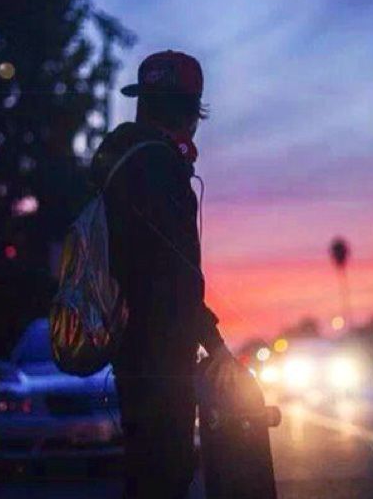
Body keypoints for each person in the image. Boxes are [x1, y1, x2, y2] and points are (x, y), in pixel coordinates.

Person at [89, 50, 239, 498]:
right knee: (166, 472)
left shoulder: (120, 162)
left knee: (145, 472)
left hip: (129, 348)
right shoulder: (158, 167)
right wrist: (214, 344)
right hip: (160, 355)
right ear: (190, 113)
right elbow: (174, 274)